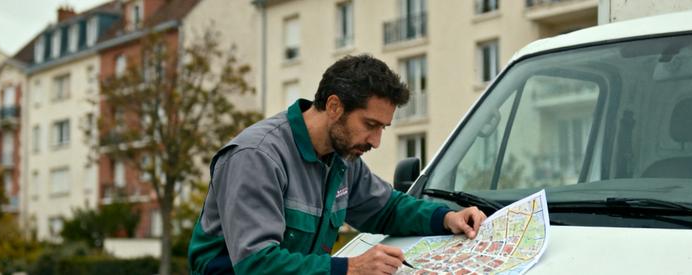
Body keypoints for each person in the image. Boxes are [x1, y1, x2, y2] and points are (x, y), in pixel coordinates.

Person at [188, 55, 487, 275]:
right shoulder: (256, 157)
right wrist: (351, 268)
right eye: (370, 124)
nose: (376, 141)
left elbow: (387, 209)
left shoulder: (343, 157)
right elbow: (256, 265)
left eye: (383, 128)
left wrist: (448, 218)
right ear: (334, 106)